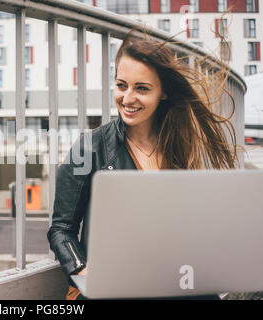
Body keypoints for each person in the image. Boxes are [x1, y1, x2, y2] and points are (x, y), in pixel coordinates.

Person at [47, 34, 239, 300]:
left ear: (164, 93)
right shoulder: (89, 147)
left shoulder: (179, 145)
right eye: (121, 85)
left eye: (142, 88)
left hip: (163, 276)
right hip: (110, 283)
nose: (127, 98)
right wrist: (83, 271)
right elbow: (61, 229)